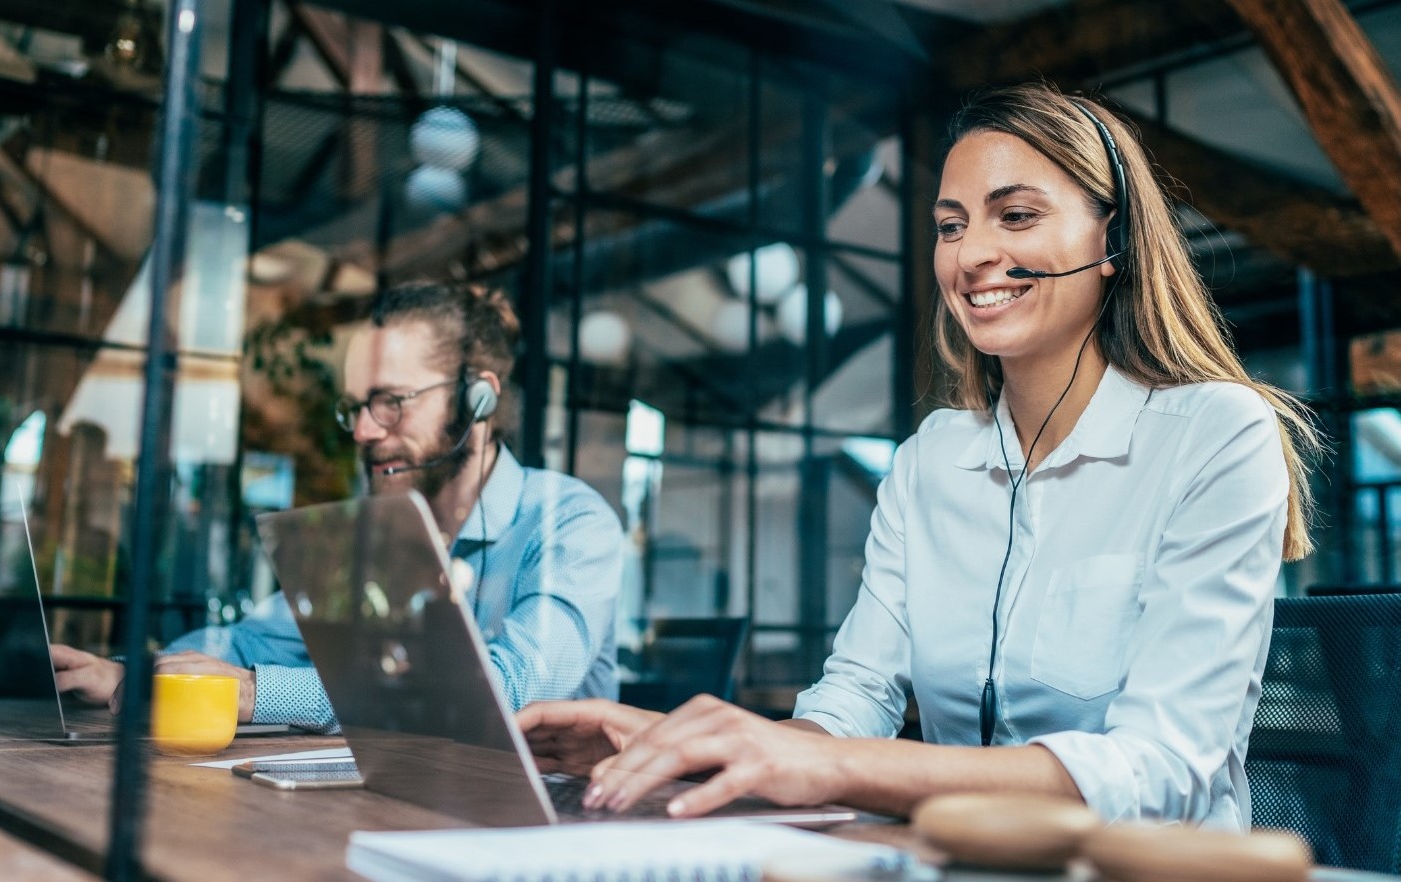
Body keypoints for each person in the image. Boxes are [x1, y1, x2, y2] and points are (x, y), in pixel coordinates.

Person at [516, 82, 1317, 830]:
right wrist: (687, 748)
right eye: (950, 224)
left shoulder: (1216, 434)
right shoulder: (933, 458)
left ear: (1110, 241)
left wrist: (827, 764)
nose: (969, 256)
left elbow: (1162, 767)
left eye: (1016, 215)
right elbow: (853, 701)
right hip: (948, 860)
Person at [51, 281, 623, 733]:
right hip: (398, 807)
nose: (365, 431)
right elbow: (251, 642)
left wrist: (254, 692)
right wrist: (139, 675)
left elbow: (505, 690)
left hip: (542, 832)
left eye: (390, 403)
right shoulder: (378, 535)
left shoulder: (570, 524)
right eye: (356, 408)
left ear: (479, 400)